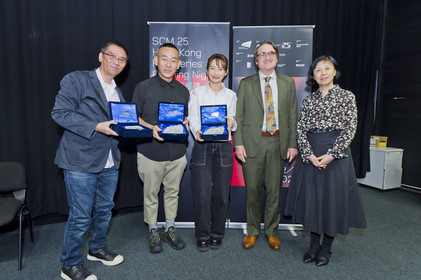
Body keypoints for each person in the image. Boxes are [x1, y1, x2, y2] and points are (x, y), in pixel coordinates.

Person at [52, 40, 128, 280]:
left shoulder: (118, 92)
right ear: (100, 56)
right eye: (112, 56)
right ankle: (70, 263)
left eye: (122, 59)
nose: (117, 62)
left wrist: (149, 128)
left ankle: (96, 248)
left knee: (105, 209)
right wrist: (96, 126)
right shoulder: (76, 79)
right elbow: (60, 113)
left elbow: (123, 123)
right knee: (81, 215)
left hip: (109, 160)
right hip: (79, 160)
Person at [285, 55, 367, 266]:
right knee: (312, 201)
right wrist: (309, 154)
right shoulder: (309, 100)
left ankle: (326, 248)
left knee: (332, 201)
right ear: (313, 75)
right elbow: (301, 129)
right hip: (310, 155)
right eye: (318, 70)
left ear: (334, 71)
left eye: (326, 68)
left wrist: (332, 154)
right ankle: (313, 246)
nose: (322, 73)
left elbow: (350, 129)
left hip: (336, 157)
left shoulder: (347, 97)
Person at [234, 40, 298, 251]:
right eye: (262, 54)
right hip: (253, 144)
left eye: (271, 53)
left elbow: (291, 116)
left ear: (277, 58)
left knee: (274, 192)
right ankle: (252, 231)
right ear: (256, 60)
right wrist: (239, 143)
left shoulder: (288, 83)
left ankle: (271, 232)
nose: (267, 57)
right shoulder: (246, 83)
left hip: (278, 142)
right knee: (252, 191)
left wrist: (292, 144)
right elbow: (239, 117)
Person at [132, 43, 189, 254]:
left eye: (173, 60)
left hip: (177, 153)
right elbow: (134, 117)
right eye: (164, 59)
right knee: (151, 194)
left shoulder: (183, 91)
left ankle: (170, 228)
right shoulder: (143, 87)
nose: (168, 64)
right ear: (156, 60)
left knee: (173, 193)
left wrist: (186, 124)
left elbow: (184, 119)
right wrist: (151, 128)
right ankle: (153, 230)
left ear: (179, 65)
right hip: (150, 152)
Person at [188, 54, 237, 252]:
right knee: (201, 194)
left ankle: (217, 234)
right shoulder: (196, 92)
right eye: (212, 68)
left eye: (220, 69)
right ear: (206, 71)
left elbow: (233, 119)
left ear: (225, 72)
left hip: (224, 147)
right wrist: (198, 131)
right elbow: (192, 116)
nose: (216, 72)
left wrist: (232, 122)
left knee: (222, 195)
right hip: (203, 146)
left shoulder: (231, 95)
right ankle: (202, 234)